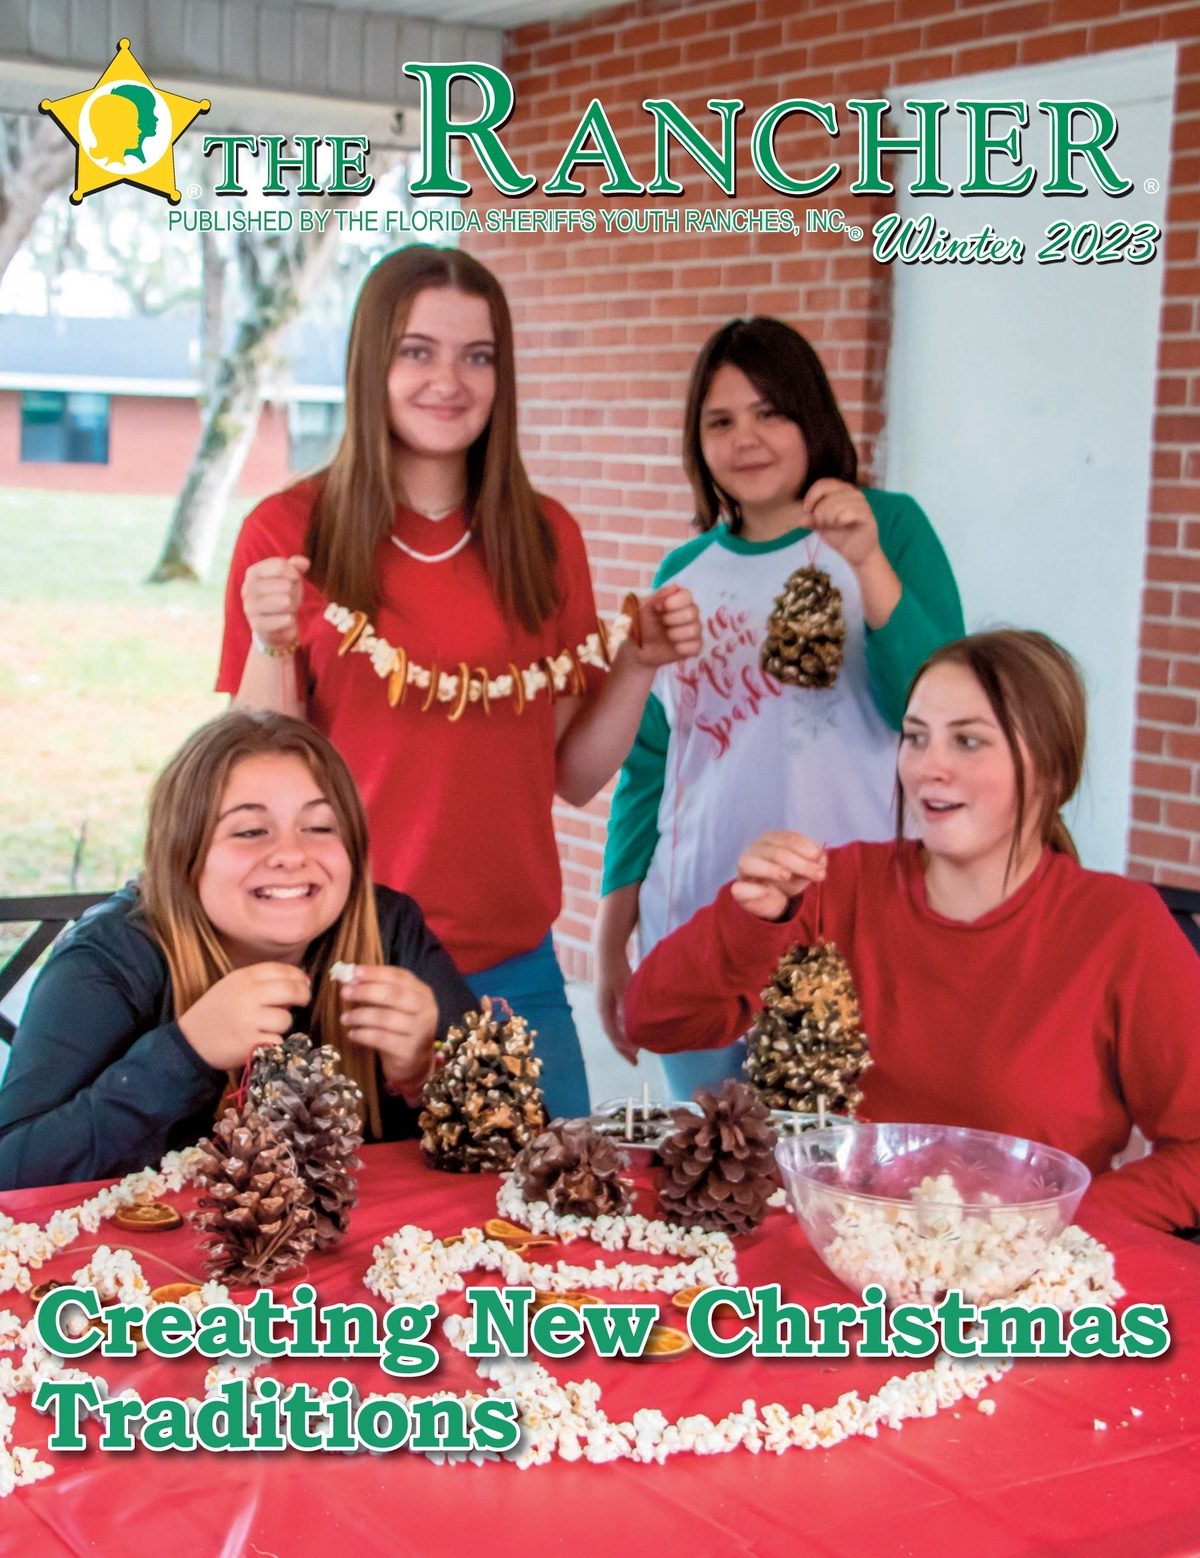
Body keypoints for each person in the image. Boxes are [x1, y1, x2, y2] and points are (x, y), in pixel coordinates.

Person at [217, 246, 701, 1121]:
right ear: (374, 363)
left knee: (548, 1234)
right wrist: (270, 638)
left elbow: (575, 774)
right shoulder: (289, 531)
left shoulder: (544, 537)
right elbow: (261, 772)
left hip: (515, 969)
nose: (450, 380)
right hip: (344, 964)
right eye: (419, 351)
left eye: (478, 356)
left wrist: (635, 666)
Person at [624, 630, 1200, 1234]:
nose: (930, 767)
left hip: (1015, 1303)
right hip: (823, 1271)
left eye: (968, 741)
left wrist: (1060, 1228)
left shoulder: (1121, 927)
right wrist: (749, 922)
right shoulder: (829, 888)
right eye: (917, 737)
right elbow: (654, 1021)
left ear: (1050, 769)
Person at [597, 316, 963, 1098]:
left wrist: (864, 561)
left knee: (839, 1185)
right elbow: (648, 769)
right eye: (720, 421)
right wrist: (611, 934)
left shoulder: (889, 528)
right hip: (697, 921)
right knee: (710, 1178)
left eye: (770, 412)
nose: (746, 439)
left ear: (812, 416)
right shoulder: (682, 572)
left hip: (851, 930)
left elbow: (937, 716)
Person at [0, 710, 475, 1190]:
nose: (291, 854)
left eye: (319, 827)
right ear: (184, 854)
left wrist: (424, 1076)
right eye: (250, 832)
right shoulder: (110, 959)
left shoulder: (388, 931)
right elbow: (12, 1168)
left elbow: (513, 1143)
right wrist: (186, 1053)